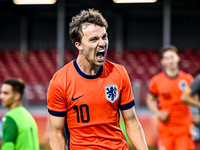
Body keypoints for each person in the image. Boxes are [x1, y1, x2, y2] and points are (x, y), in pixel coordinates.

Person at [47, 9, 148, 150]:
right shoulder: (60, 81)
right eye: (94, 39)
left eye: (104, 37)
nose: (102, 43)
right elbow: (56, 134)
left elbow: (131, 121)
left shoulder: (119, 73)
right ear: (79, 45)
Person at [146, 45, 195, 150]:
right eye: (167, 58)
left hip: (184, 129)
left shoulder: (188, 79)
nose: (170, 60)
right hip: (166, 129)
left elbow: (195, 99)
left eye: (172, 57)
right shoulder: (156, 81)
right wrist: (158, 113)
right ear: (163, 61)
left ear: (177, 58)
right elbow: (150, 100)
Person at [0, 78, 40, 150]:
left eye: (6, 93)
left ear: (17, 96)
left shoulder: (10, 117)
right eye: (1, 93)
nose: (1, 97)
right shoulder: (28, 115)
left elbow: (8, 144)